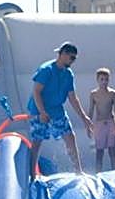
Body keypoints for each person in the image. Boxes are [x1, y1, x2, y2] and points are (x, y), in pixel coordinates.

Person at [26, 41, 91, 177]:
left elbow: (73, 98)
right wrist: (42, 112)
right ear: (63, 54)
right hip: (39, 110)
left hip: (56, 110)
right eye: (71, 58)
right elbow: (36, 92)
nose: (72, 61)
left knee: (70, 136)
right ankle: (32, 174)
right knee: (37, 141)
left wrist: (84, 117)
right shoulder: (46, 70)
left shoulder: (68, 74)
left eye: (74, 59)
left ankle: (78, 171)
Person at [87, 67, 115, 172]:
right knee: (99, 151)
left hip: (110, 122)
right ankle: (98, 173)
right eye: (102, 79)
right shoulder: (93, 94)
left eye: (106, 79)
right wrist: (88, 127)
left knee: (112, 150)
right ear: (97, 80)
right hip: (99, 123)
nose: (104, 82)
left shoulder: (112, 93)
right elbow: (91, 111)